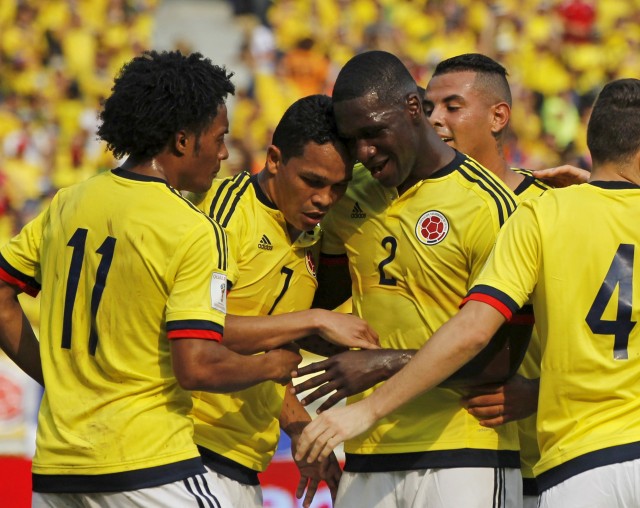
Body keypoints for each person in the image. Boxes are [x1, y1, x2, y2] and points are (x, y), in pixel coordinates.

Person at [296, 77, 640, 507]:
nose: (439, 118)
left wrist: (372, 395)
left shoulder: (538, 210)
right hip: (383, 453)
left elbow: (478, 329)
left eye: (453, 106)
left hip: (560, 461)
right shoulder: (357, 198)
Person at [0, 50, 303, 508]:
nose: (224, 153)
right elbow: (197, 365)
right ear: (183, 140)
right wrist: (271, 366)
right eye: (219, 138)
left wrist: (58, 377)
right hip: (148, 467)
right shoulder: (195, 230)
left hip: (57, 469)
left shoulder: (70, 201)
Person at [295, 50, 523, 508]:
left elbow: (502, 362)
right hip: (365, 451)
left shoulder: (487, 205)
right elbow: (316, 308)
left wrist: (380, 363)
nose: (364, 151)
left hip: (464, 453)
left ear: (413, 109)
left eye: (374, 132)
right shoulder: (347, 198)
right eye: (353, 138)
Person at [189, 94, 379, 508]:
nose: (325, 200)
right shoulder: (222, 218)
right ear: (274, 159)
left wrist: (299, 431)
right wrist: (314, 320)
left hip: (243, 461)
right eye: (313, 182)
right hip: (187, 451)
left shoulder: (310, 233)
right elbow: (198, 333)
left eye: (338, 187)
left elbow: (268, 358)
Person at [423, 52, 548, 506]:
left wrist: (539, 393)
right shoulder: (411, 205)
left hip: (545, 463)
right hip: (443, 452)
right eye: (428, 107)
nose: (435, 119)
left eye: (452, 107)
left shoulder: (551, 205)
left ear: (498, 117)